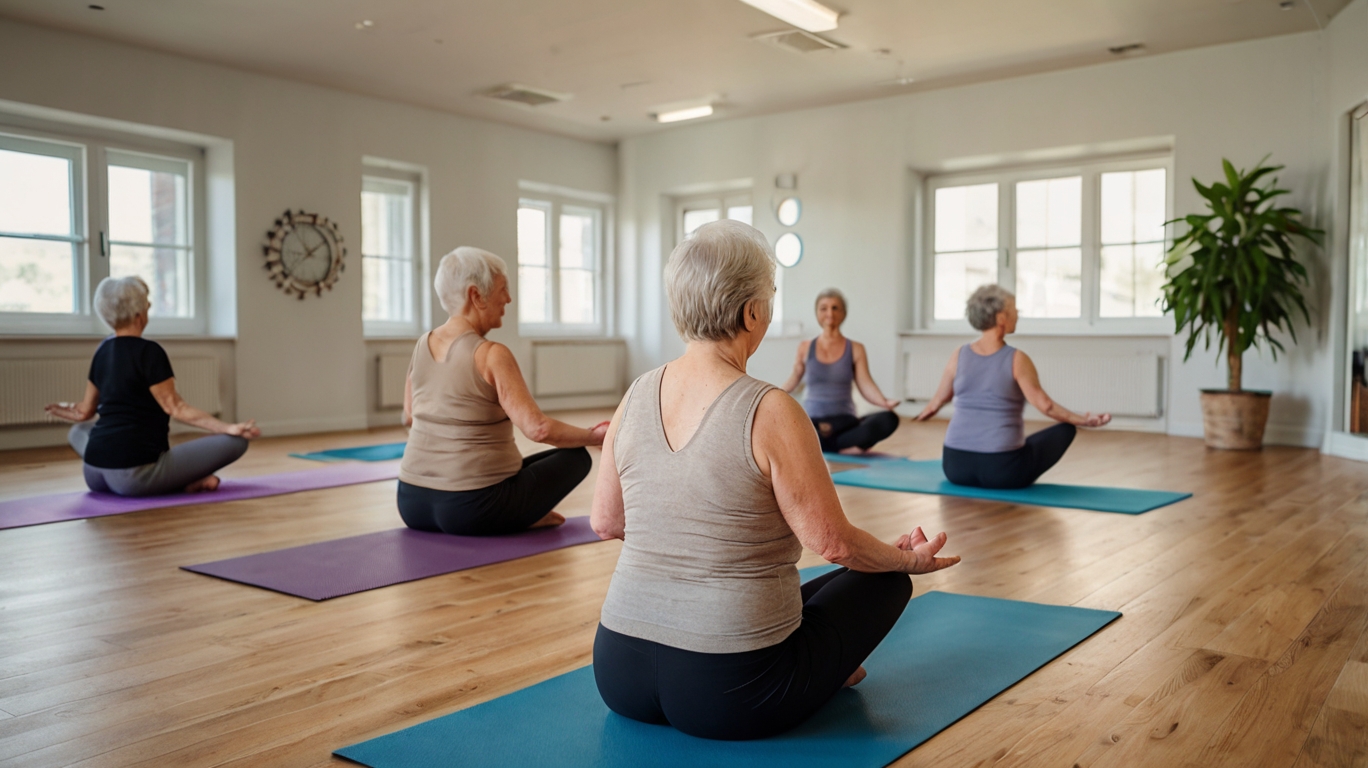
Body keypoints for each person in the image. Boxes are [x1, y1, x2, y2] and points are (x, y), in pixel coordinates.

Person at [590, 220, 959, 741]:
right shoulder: (771, 409)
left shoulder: (634, 394)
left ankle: (825, 661)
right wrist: (906, 560)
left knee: (837, 583)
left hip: (618, 672)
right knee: (888, 581)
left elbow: (606, 521)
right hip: (729, 691)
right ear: (752, 311)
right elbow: (831, 541)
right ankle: (828, 669)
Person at [398, 247, 607, 536]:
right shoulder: (491, 354)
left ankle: (518, 511)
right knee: (576, 457)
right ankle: (521, 516)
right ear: (476, 295)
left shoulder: (422, 344)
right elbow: (539, 430)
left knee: (531, 466)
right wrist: (595, 436)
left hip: (411, 502)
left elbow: (409, 417)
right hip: (470, 509)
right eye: (503, 289)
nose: (508, 298)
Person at [44, 276, 259, 496]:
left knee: (78, 432)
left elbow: (85, 412)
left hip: (94, 473)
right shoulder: (150, 352)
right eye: (147, 304)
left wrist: (68, 408)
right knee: (237, 443)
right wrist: (229, 428)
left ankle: (175, 480)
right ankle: (183, 483)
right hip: (134, 478)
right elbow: (176, 408)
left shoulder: (102, 350)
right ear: (139, 316)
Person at [915, 285, 1111, 489]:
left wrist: (922, 414)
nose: (1018, 313)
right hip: (1001, 472)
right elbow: (1046, 406)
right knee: (1065, 430)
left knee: (1018, 443)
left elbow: (938, 400)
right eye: (1015, 309)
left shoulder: (959, 354)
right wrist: (1084, 420)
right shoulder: (1017, 359)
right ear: (1001, 318)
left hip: (955, 468)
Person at [780, 288, 901, 454]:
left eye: (835, 308)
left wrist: (884, 402)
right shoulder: (805, 347)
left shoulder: (856, 348)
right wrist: (773, 394)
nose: (830, 313)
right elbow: (794, 378)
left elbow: (865, 383)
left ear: (843, 313)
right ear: (817, 313)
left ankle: (822, 445)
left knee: (888, 419)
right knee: (788, 425)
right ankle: (840, 445)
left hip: (844, 422)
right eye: (824, 308)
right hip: (812, 422)